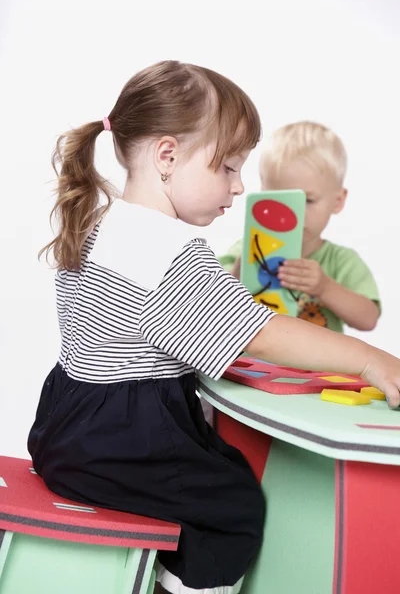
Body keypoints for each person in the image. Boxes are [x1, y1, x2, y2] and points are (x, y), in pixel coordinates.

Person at [28, 62, 400, 594]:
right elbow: (262, 333)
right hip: (124, 443)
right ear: (167, 155)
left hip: (65, 430)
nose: (241, 185)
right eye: (226, 167)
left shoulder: (100, 221)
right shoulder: (168, 248)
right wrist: (369, 358)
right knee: (234, 507)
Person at [218, 121, 380, 332]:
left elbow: (368, 319)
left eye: (308, 201)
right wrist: (239, 274)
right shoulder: (245, 250)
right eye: (281, 199)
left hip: (319, 365)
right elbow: (206, 309)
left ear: (337, 201)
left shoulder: (341, 261)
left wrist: (325, 288)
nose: (292, 215)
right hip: (251, 364)